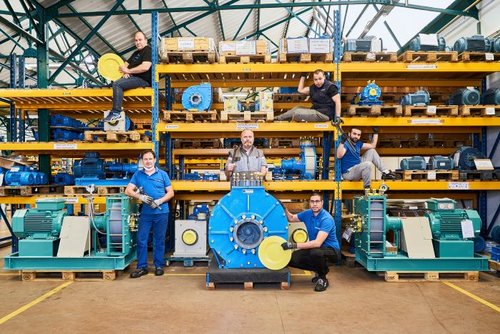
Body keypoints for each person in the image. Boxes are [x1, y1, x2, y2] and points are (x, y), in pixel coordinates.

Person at [125, 150, 174, 278]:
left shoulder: (163, 175)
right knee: (142, 239)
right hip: (146, 213)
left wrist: (160, 200)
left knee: (159, 240)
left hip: (161, 212)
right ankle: (142, 267)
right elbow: (128, 190)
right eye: (145, 159)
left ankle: (158, 265)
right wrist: (139, 196)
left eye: (150, 159)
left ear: (155, 160)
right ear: (142, 161)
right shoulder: (138, 175)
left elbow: (171, 192)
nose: (148, 161)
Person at [281, 193, 340, 292]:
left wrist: (293, 245)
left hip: (332, 250)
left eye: (317, 201)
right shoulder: (307, 214)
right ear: (309, 203)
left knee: (316, 253)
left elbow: (317, 243)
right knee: (291, 259)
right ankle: (320, 269)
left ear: (322, 203)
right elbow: (291, 218)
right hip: (316, 248)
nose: (314, 204)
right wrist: (284, 208)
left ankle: (322, 278)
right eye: (312, 201)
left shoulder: (326, 219)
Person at [103, 31, 152, 123]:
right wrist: (125, 71)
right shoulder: (135, 53)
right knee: (110, 85)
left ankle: (116, 112)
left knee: (117, 84)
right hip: (133, 78)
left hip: (143, 79)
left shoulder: (148, 50)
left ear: (145, 40)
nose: (138, 42)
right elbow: (124, 65)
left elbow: (145, 67)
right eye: (136, 40)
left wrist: (129, 71)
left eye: (140, 40)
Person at [275, 69, 341, 122]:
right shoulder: (313, 88)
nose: (318, 81)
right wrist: (303, 76)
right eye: (316, 79)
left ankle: (281, 119)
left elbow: (337, 102)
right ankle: (277, 119)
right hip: (315, 111)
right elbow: (300, 90)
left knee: (297, 112)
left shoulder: (330, 87)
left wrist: (338, 117)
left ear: (324, 77)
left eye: (320, 79)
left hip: (324, 115)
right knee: (297, 108)